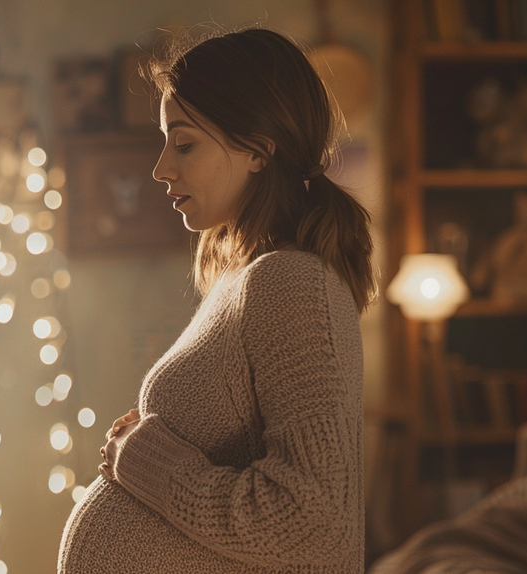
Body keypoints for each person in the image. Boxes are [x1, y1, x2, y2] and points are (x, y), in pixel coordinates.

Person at [58, 27, 375, 573]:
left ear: (257, 149)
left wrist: (147, 461)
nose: (161, 166)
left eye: (184, 143)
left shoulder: (294, 285)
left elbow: (316, 524)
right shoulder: (247, 278)